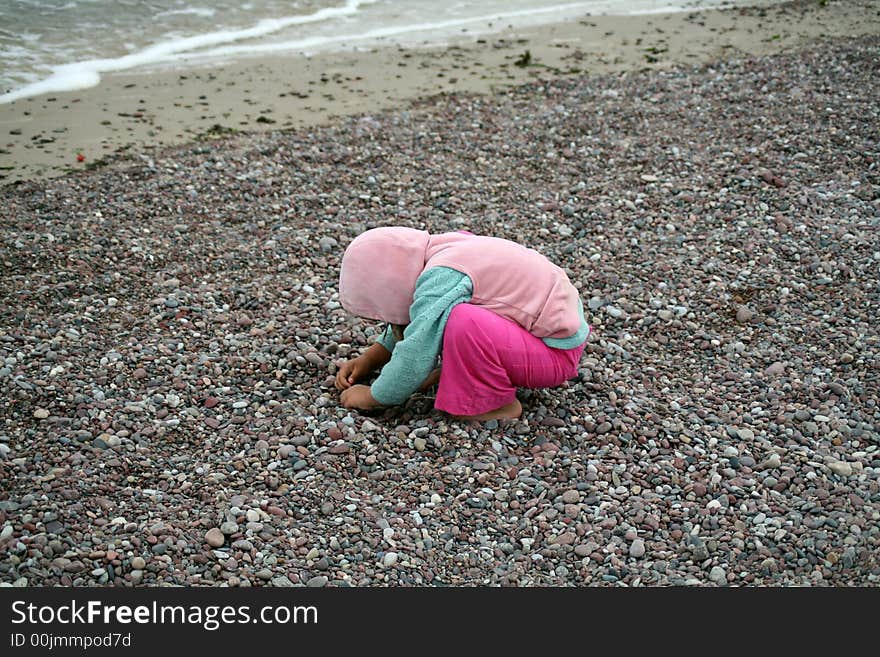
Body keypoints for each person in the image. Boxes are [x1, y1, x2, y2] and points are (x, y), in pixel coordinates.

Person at [334, 227, 591, 421]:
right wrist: (370, 359)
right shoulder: (447, 247)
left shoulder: (443, 277)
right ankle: (470, 375)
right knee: (447, 315)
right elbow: (416, 317)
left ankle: (494, 403)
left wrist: (375, 396)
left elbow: (416, 350)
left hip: (553, 356)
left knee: (462, 321)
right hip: (545, 340)